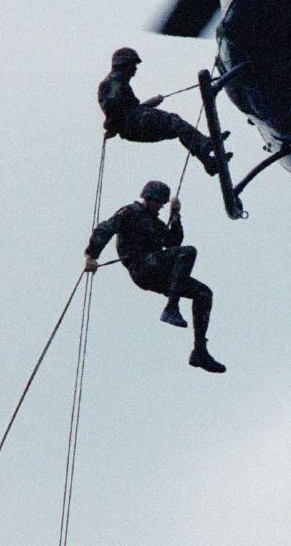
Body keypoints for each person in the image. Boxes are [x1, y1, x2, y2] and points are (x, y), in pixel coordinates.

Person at [84, 179, 226, 373]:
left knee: (203, 293)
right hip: (141, 267)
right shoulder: (130, 213)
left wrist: (175, 214)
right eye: (158, 202)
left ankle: (200, 350)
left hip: (158, 272)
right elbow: (105, 228)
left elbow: (173, 242)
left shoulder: (157, 224)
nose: (159, 207)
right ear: (147, 198)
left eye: (162, 203)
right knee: (188, 252)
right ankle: (171, 308)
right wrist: (92, 255)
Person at [97, 47, 227, 177]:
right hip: (134, 124)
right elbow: (114, 108)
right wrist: (112, 127)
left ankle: (207, 161)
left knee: (176, 125)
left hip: (133, 125)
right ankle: (203, 145)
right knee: (174, 123)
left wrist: (150, 103)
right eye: (133, 64)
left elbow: (125, 109)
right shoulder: (114, 81)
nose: (135, 69)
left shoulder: (117, 83)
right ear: (123, 64)